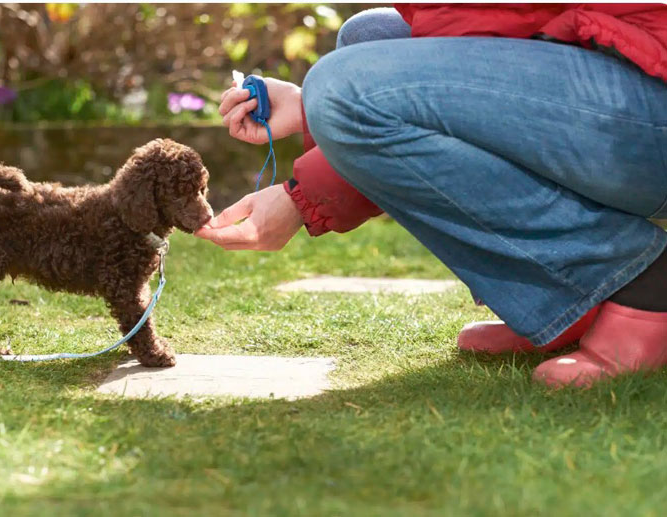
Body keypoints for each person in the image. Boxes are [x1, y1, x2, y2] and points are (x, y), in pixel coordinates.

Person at [196, 4, 667, 388]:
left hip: (650, 89)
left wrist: (312, 113)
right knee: (370, 36)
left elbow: (486, 25)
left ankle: (640, 284)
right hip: (622, 67)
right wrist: (301, 194)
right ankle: (574, 301)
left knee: (341, 90)